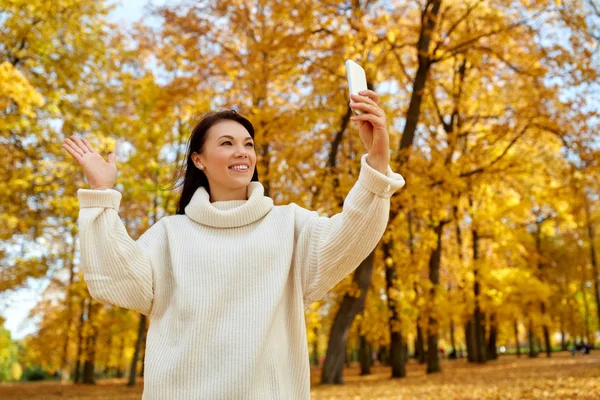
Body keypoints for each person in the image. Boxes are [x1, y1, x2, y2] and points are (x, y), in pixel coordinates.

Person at [62, 90, 405, 399]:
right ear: (199, 160)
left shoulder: (290, 225)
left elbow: (353, 234)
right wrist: (101, 195)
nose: (241, 152)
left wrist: (377, 161)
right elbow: (113, 279)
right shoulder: (169, 234)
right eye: (226, 143)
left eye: (248, 144)